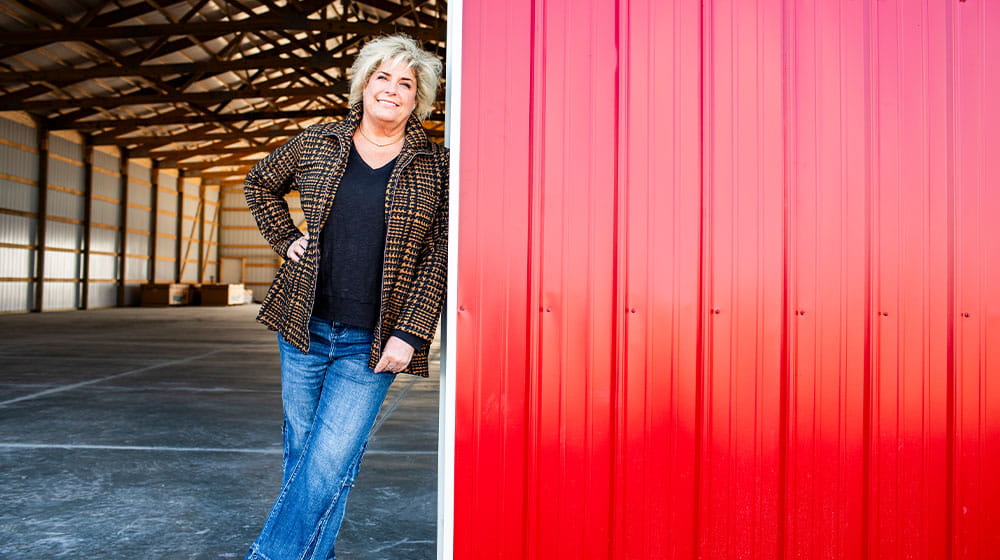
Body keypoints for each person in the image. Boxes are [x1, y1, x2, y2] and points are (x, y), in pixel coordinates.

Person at [242, 34, 448, 560]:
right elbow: (260, 182)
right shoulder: (320, 141)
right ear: (364, 84)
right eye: (383, 77)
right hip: (303, 325)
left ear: (418, 99)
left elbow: (438, 255)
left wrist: (412, 332)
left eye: (407, 84)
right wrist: (287, 239)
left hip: (373, 340)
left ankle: (271, 556)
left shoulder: (436, 165)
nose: (392, 90)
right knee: (304, 457)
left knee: (330, 459)